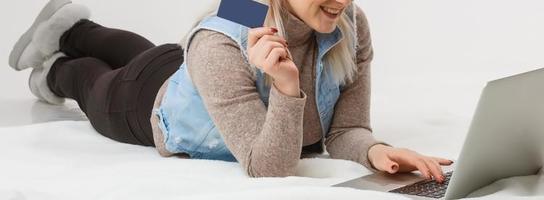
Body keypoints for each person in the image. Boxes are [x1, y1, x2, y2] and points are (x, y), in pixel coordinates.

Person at [9, 0, 453, 180]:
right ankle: (56, 66)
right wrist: (284, 87)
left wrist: (375, 151)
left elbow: (346, 129)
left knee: (152, 52)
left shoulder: (347, 21)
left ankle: (77, 27)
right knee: (91, 81)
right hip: (143, 106)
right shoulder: (221, 40)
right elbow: (267, 167)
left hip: (188, 69)